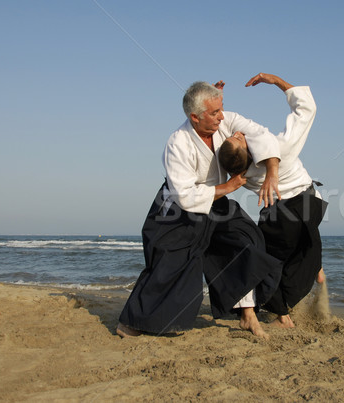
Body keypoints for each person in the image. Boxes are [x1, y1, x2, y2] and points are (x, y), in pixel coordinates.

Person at [117, 80, 284, 339]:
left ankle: (247, 313)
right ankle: (133, 322)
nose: (222, 116)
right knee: (170, 262)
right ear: (195, 117)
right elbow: (184, 195)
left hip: (216, 202)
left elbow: (261, 134)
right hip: (179, 209)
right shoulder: (178, 143)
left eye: (221, 108)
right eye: (214, 112)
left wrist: (271, 172)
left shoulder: (226, 122)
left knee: (246, 240)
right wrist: (228, 187)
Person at [219, 73, 328, 328]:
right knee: (285, 251)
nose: (239, 133)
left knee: (269, 257)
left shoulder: (240, 174)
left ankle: (284, 309)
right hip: (310, 204)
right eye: (238, 138)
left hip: (281, 214)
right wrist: (276, 81)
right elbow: (307, 108)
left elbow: (222, 133)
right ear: (246, 150)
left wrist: (218, 105)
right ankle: (300, 290)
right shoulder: (280, 147)